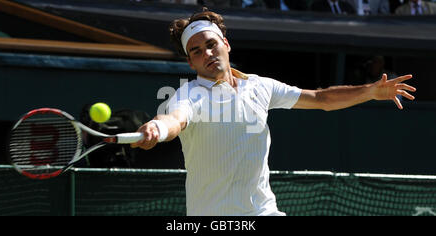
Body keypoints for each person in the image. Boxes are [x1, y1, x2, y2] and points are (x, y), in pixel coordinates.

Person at [130, 9, 416, 216]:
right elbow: (174, 119)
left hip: (263, 211)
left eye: (211, 44)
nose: (207, 53)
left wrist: (370, 91)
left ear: (225, 44)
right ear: (191, 63)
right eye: (196, 51)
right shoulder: (189, 94)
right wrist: (157, 128)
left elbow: (320, 98)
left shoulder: (260, 86)